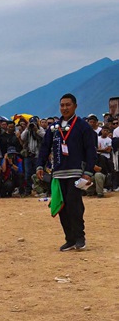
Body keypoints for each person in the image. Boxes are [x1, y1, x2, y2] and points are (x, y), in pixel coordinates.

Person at [36, 93, 97, 251]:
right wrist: (40, 166)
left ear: (75, 106)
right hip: (58, 174)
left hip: (76, 173)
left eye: (68, 105)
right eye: (62, 105)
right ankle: (69, 239)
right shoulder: (53, 128)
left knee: (74, 204)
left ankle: (79, 237)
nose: (64, 108)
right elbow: (44, 148)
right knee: (62, 205)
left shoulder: (83, 126)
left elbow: (91, 150)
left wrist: (88, 172)